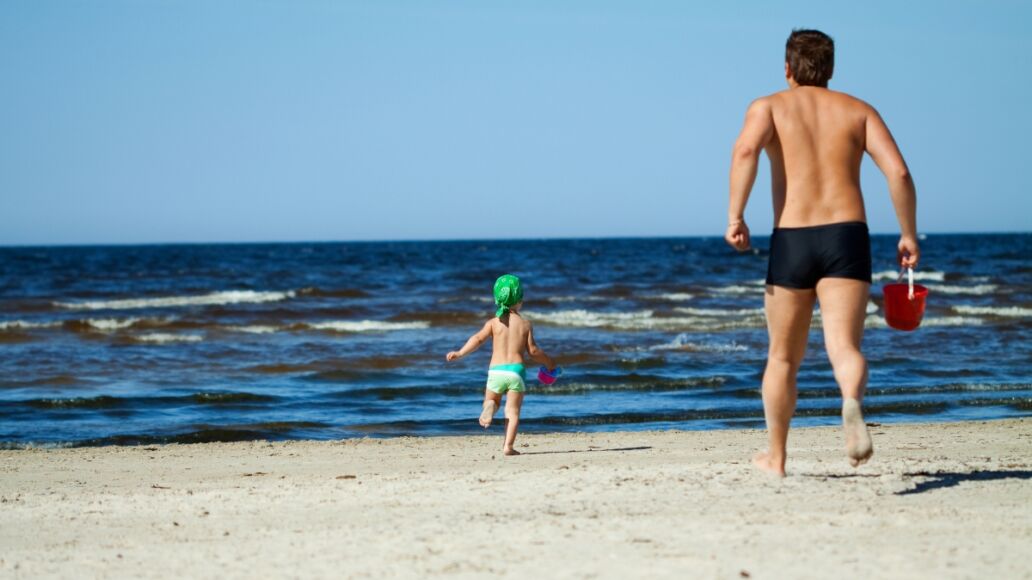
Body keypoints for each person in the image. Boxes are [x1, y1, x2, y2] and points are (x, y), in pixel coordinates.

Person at [725, 29, 919, 476]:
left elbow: (745, 151)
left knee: (782, 357)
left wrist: (735, 216)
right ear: (830, 69)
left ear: (788, 68)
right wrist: (908, 233)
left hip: (792, 236)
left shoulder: (768, 106)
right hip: (846, 236)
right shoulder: (858, 111)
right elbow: (900, 174)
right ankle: (850, 400)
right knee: (843, 346)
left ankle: (776, 457)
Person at [446, 274, 557, 456]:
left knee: (492, 400)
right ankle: (508, 446)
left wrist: (460, 353)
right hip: (516, 372)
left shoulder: (493, 323)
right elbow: (534, 351)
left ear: (497, 298)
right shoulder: (525, 324)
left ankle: (489, 407)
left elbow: (478, 339)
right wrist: (550, 363)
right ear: (520, 300)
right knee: (512, 411)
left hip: (496, 371)